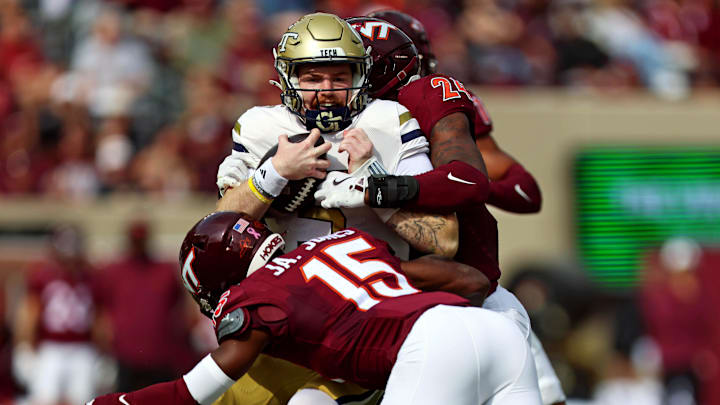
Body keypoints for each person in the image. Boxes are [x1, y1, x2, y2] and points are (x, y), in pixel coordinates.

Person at [311, 13, 567, 405]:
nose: (327, 88)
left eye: (341, 72)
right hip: (374, 308)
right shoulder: (295, 122)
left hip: (454, 305)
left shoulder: (427, 95)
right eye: (317, 74)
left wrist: (381, 187)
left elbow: (473, 181)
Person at [88, 211, 541, 405]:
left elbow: (191, 394)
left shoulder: (260, 296)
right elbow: (473, 281)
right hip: (496, 335)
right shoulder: (343, 244)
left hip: (432, 347)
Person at [215, 12, 458, 261]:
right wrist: (275, 172)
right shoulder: (260, 126)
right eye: (313, 79)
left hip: (378, 290)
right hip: (292, 292)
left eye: (340, 78)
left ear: (360, 76)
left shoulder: (387, 121)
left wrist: (371, 185)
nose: (327, 91)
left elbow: (444, 240)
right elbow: (222, 224)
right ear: (288, 78)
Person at [94, 219, 198, 392]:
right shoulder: (114, 272)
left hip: (160, 351)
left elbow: (182, 309)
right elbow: (100, 310)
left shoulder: (164, 271)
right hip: (126, 353)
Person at [13, 225, 101, 405]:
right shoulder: (42, 276)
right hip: (50, 347)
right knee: (44, 398)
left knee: (83, 399)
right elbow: (30, 312)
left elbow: (99, 317)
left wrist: (104, 351)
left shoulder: (92, 278)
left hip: (83, 348)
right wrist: (24, 346)